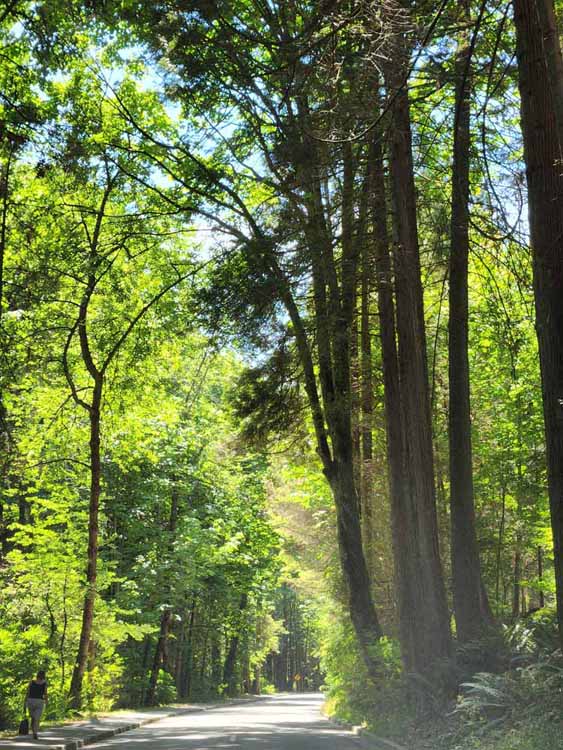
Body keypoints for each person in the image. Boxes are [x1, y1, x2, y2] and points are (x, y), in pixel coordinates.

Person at [25, 670, 48, 740]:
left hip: (31, 700)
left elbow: (27, 692)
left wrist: (25, 700)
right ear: (44, 676)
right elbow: (45, 693)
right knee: (36, 718)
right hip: (39, 701)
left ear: (37, 675)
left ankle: (34, 732)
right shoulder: (44, 683)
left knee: (33, 717)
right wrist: (46, 701)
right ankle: (35, 732)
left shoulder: (31, 682)